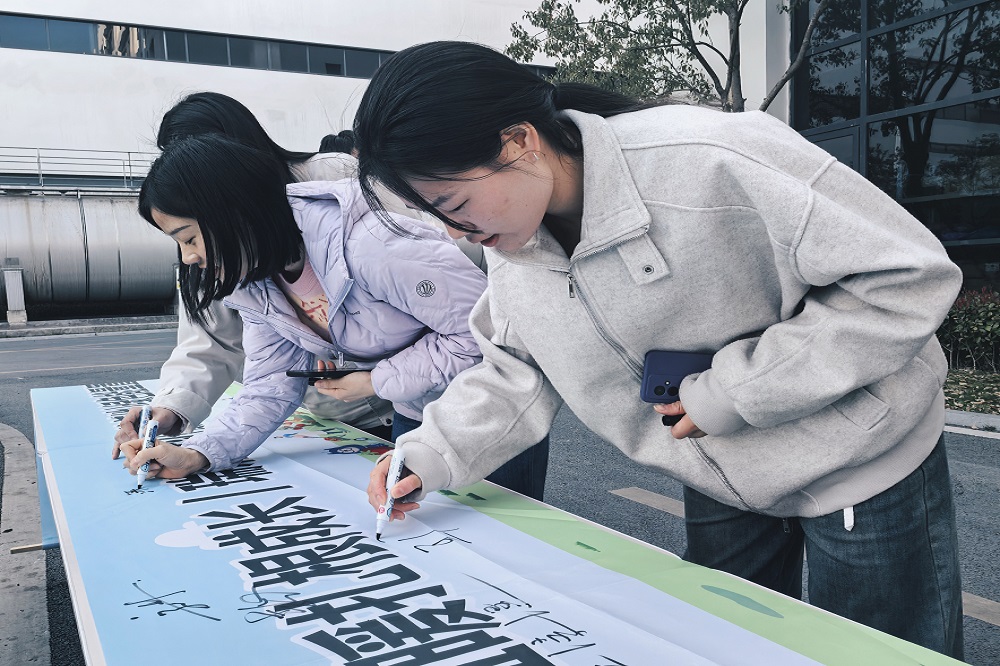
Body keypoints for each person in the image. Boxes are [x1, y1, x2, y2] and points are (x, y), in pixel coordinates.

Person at [355, 41, 965, 658]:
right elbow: (516, 369)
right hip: (718, 472)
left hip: (860, 460)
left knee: (878, 653)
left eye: (455, 205)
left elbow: (906, 276)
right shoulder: (513, 238)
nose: (456, 233)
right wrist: (432, 454)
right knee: (724, 647)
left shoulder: (709, 156)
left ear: (518, 142)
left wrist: (734, 392)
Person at [122, 133, 487, 479]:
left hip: (484, 409)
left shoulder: (371, 245)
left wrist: (376, 380)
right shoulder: (257, 285)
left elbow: (483, 331)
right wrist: (199, 454)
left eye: (189, 238)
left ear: (234, 211)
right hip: (417, 412)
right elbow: (269, 386)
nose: (188, 257)